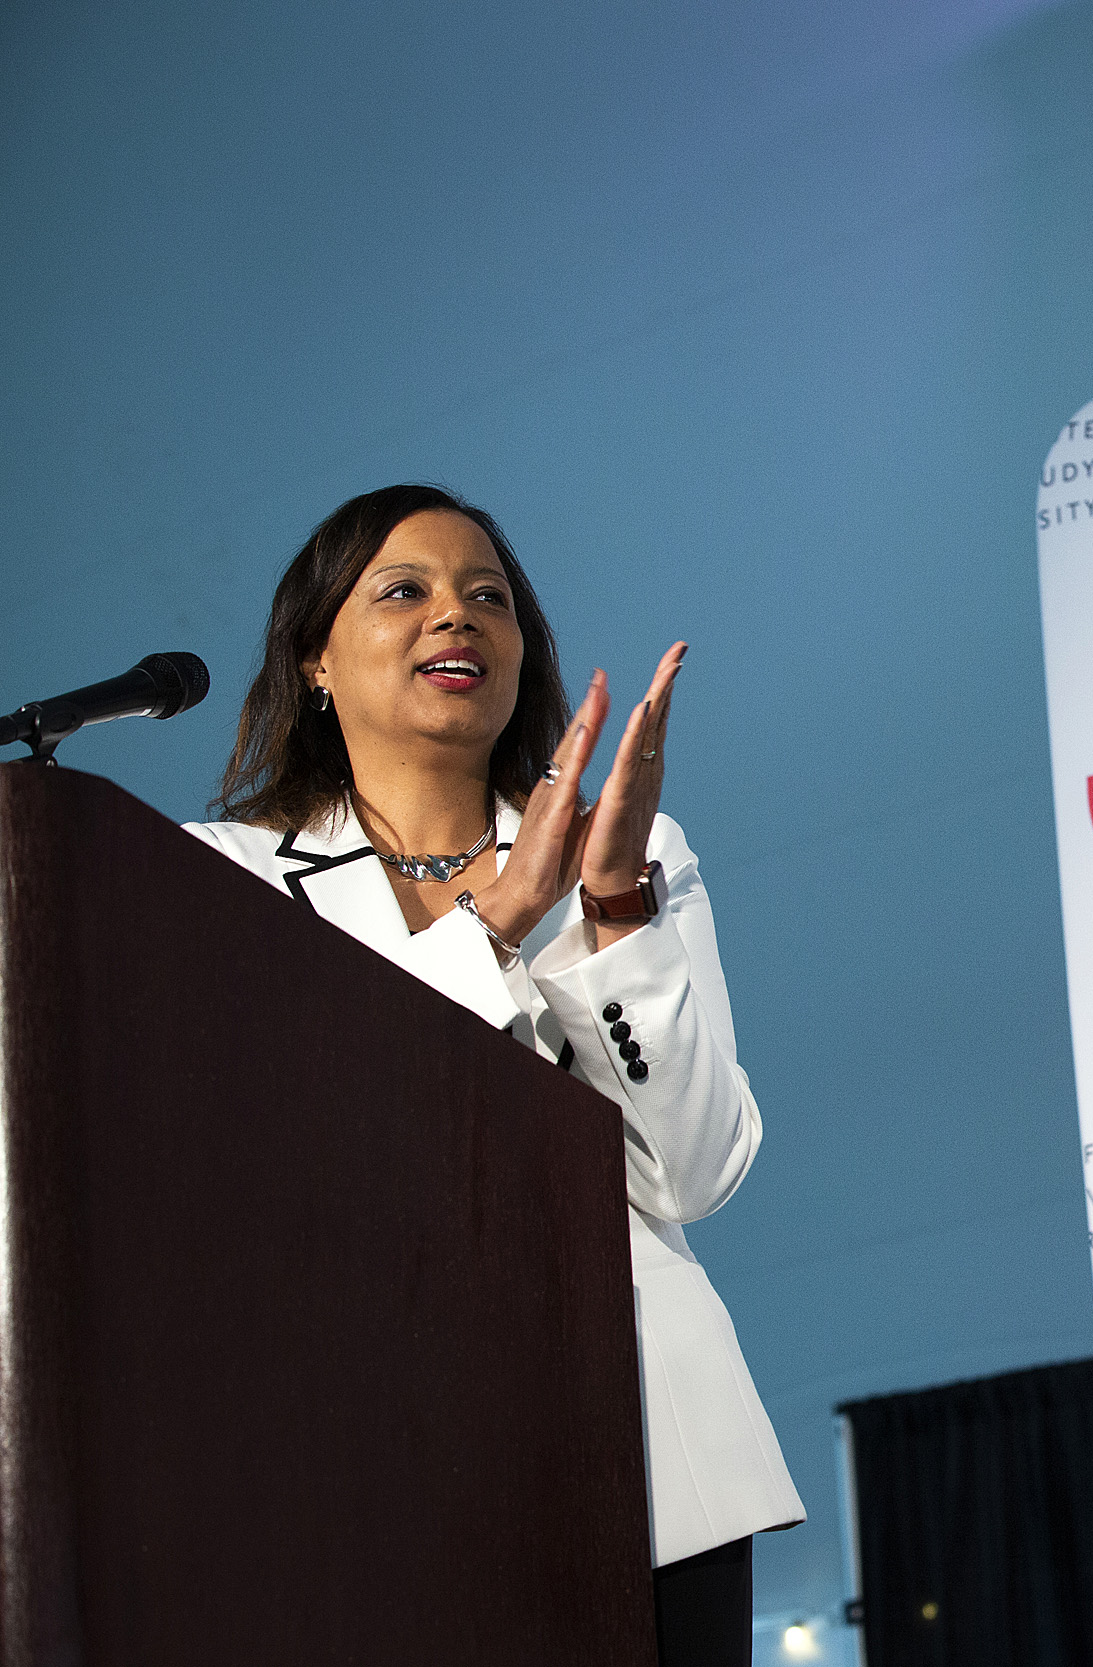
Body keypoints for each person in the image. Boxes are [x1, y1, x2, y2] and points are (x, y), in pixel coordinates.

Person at [187, 483, 802, 1666]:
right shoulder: (223, 880)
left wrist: (613, 912)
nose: (455, 619)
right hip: (361, 1459)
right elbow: (293, 1169)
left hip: (645, 1461)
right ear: (315, 657)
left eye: (488, 598)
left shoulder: (634, 851)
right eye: (403, 592)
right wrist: (489, 939)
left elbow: (698, 1171)